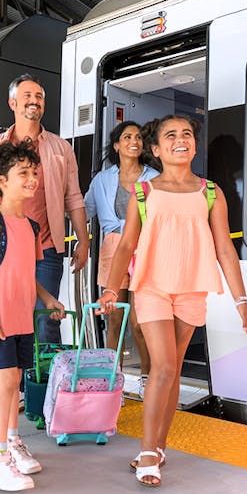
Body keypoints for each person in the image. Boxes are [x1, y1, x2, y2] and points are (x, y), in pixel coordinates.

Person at [96, 115, 247, 487]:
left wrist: (242, 302)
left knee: (169, 375)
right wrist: (111, 288)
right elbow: (126, 245)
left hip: (192, 289)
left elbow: (224, 248)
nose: (180, 139)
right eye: (170, 135)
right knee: (165, 368)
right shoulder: (144, 193)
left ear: (194, 144)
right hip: (152, 287)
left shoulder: (211, 193)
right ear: (156, 149)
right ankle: (147, 451)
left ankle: (159, 444)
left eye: (187, 134)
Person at [0, 74, 88, 345]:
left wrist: (83, 241)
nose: (34, 101)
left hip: (46, 249)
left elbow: (73, 197)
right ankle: (12, 382)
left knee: (46, 321)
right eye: (27, 96)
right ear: (12, 103)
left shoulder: (61, 149)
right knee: (5, 321)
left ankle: (41, 388)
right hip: (1, 250)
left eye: (39, 97)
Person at [0, 142, 64, 492]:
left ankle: (11, 441)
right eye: (23, 173)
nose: (32, 179)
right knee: (6, 383)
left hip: (22, 319)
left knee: (15, 383)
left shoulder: (30, 225)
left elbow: (27, 273)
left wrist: (48, 297)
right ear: (1, 180)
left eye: (34, 173)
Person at [83, 121, 158, 387]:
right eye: (127, 137)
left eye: (138, 137)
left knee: (139, 321)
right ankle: (111, 379)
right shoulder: (102, 179)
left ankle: (147, 379)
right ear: (117, 145)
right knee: (114, 319)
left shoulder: (153, 178)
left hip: (143, 247)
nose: (134, 141)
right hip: (112, 247)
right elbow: (85, 211)